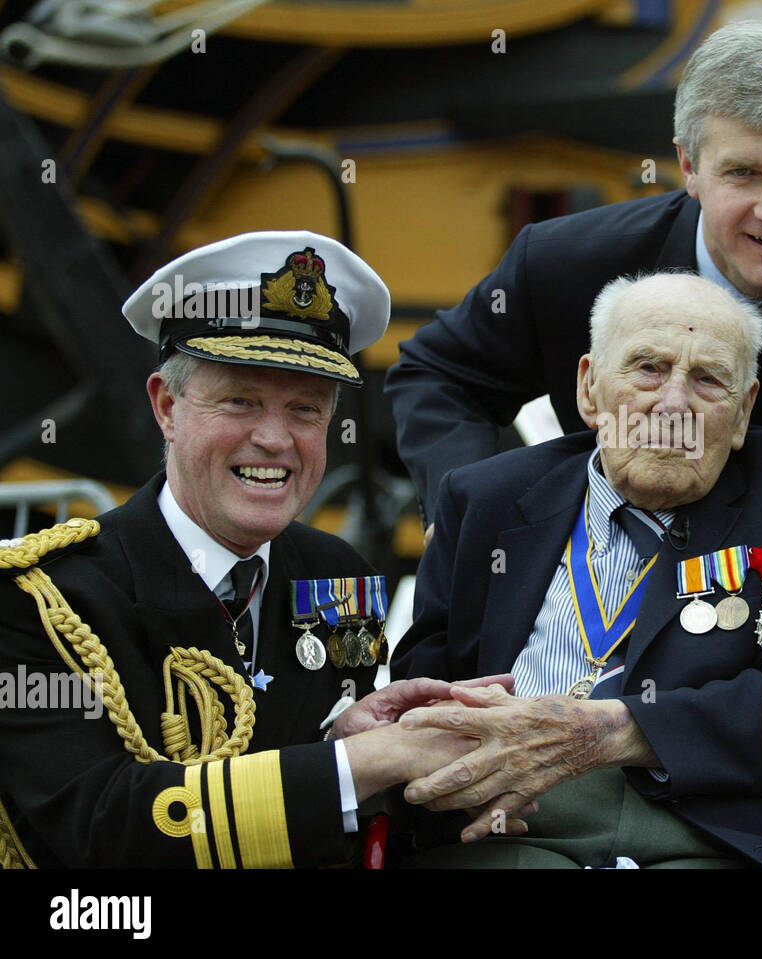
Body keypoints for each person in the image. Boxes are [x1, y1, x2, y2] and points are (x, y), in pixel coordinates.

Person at [0, 231, 501, 869]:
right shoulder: (40, 600)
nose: (274, 439)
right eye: (241, 401)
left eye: (305, 410)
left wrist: (357, 741)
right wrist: (360, 762)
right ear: (167, 407)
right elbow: (97, 826)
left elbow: (302, 786)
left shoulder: (338, 577)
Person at [391, 271, 762, 868]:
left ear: (744, 410)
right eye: (648, 368)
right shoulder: (485, 496)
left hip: (708, 828)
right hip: (510, 820)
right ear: (589, 389)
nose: (673, 403)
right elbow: (422, 680)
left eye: (708, 378)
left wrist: (610, 729)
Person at [386, 19, 762, 526]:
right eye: (742, 173)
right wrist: (470, 518)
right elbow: (438, 375)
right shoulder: (567, 263)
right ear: (689, 167)